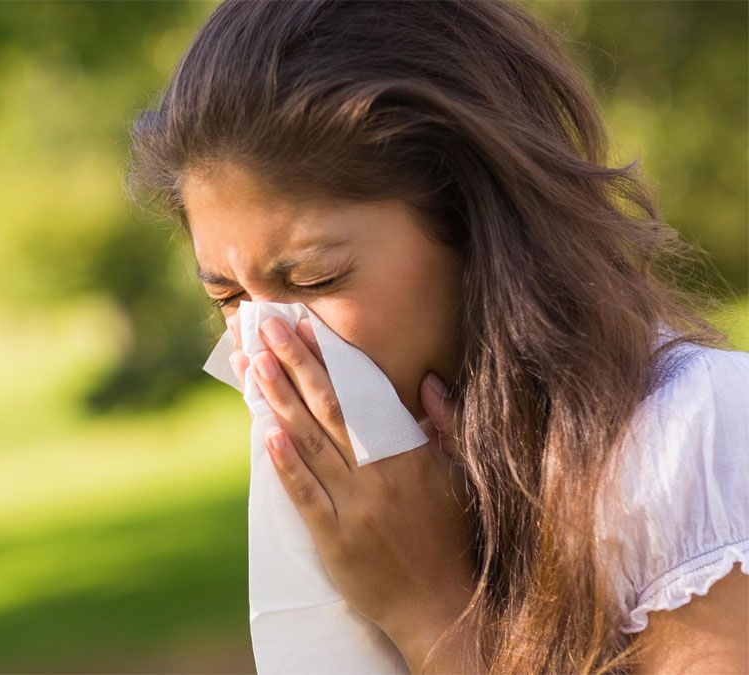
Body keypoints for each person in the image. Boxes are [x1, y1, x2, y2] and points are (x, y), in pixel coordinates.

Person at [123, 1, 748, 672]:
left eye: (314, 277)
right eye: (229, 296)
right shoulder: (370, 515)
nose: (269, 347)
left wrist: (430, 611)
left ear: (473, 226)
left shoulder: (690, 442)